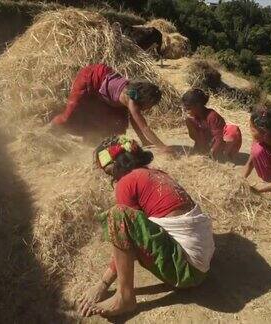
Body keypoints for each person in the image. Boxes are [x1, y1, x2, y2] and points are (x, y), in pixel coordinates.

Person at [79, 135, 215, 317]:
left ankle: (125, 297)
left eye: (108, 170)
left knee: (117, 215)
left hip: (185, 272)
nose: (108, 175)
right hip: (201, 267)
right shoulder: (158, 173)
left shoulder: (126, 182)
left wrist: (102, 284)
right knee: (127, 218)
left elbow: (126, 231)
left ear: (117, 164)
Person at [51, 63, 169, 151]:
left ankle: (89, 138)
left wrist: (144, 141)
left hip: (103, 93)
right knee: (70, 114)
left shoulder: (134, 98)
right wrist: (162, 147)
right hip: (90, 77)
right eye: (151, 104)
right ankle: (52, 128)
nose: (150, 108)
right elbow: (144, 127)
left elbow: (136, 122)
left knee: (116, 127)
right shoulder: (131, 100)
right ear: (145, 99)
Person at [182, 89, 242, 161]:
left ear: (198, 105)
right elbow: (195, 137)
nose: (185, 109)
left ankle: (226, 156)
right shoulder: (194, 118)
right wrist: (189, 125)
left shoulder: (212, 116)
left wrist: (211, 156)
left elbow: (219, 139)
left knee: (233, 129)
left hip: (220, 147)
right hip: (207, 145)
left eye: (188, 106)